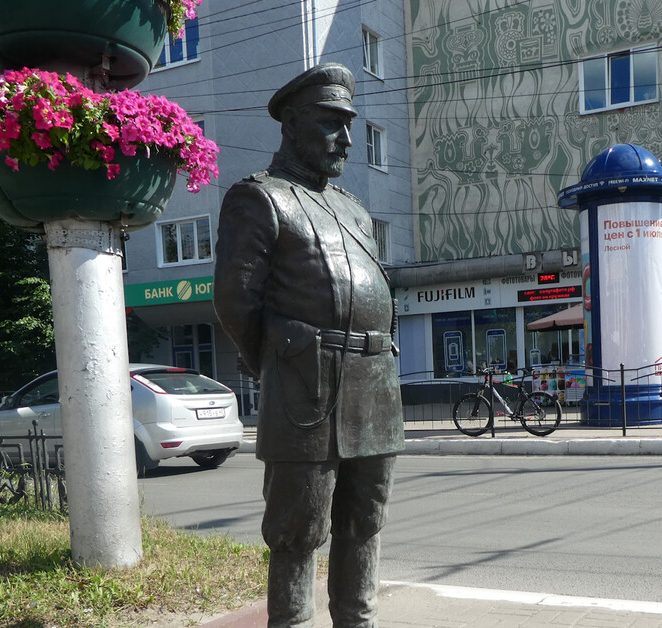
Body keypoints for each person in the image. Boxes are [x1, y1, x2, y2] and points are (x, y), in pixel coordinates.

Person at [213, 63, 403, 628]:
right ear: (292, 124)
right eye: (331, 123)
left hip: (373, 388)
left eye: (349, 124)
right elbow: (236, 303)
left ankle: (357, 620)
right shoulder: (261, 200)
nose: (346, 138)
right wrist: (282, 365)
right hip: (306, 390)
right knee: (298, 531)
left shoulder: (353, 210)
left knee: (364, 522)